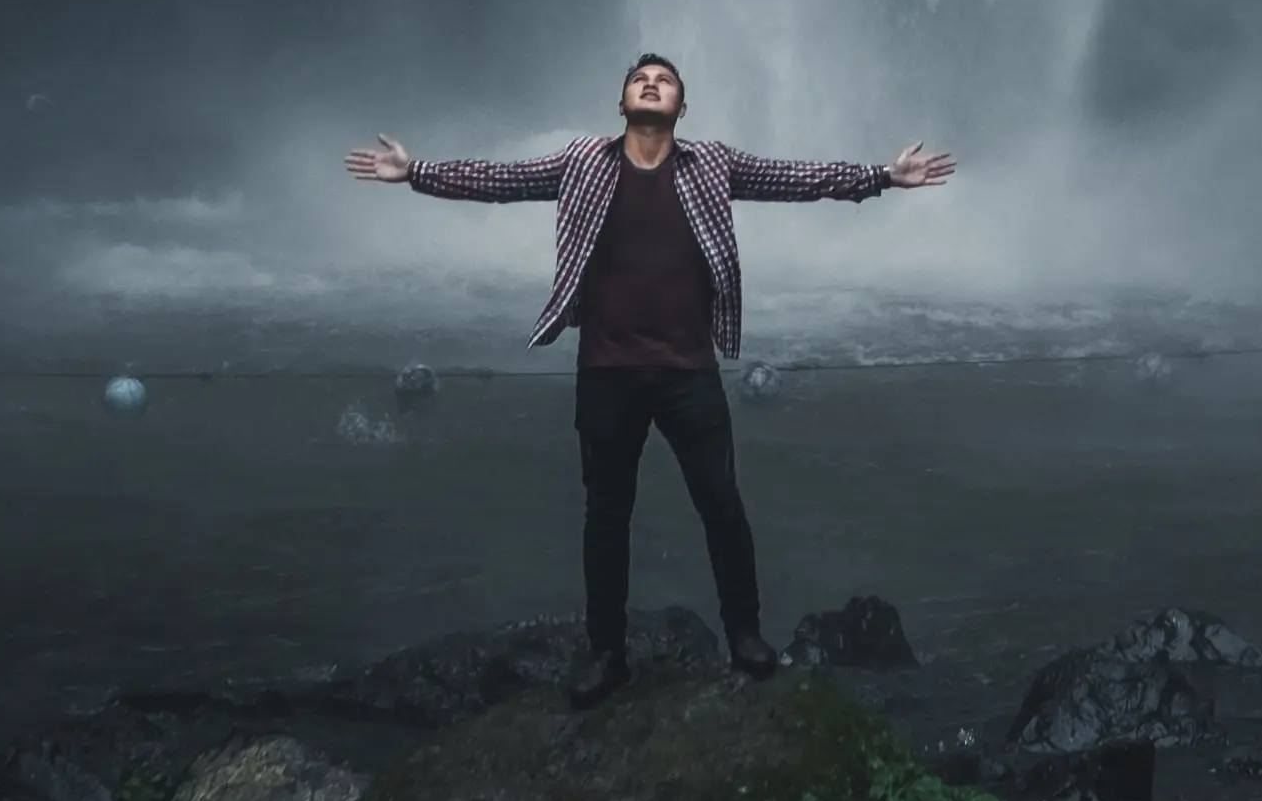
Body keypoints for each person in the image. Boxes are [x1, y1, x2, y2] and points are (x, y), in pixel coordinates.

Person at [346, 55, 953, 705]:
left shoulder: (712, 163)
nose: (651, 83)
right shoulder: (582, 160)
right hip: (606, 372)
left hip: (690, 371)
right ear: (622, 103)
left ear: (681, 110)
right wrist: (416, 173)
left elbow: (792, 178)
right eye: (641, 79)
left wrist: (883, 176)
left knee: (722, 505)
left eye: (664, 80)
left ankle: (744, 634)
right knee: (606, 517)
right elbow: (504, 180)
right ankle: (607, 654)